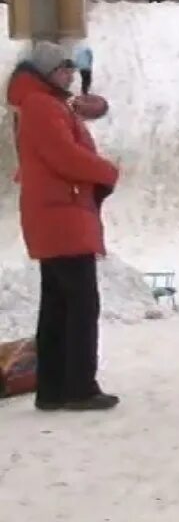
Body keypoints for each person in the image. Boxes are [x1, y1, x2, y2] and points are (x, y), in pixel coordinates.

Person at [7, 41, 120, 411]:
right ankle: (79, 388)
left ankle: (53, 388)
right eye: (64, 68)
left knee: (58, 305)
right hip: (63, 215)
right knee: (81, 304)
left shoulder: (42, 103)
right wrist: (107, 171)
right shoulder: (42, 105)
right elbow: (65, 156)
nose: (71, 74)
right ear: (47, 72)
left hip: (55, 214)